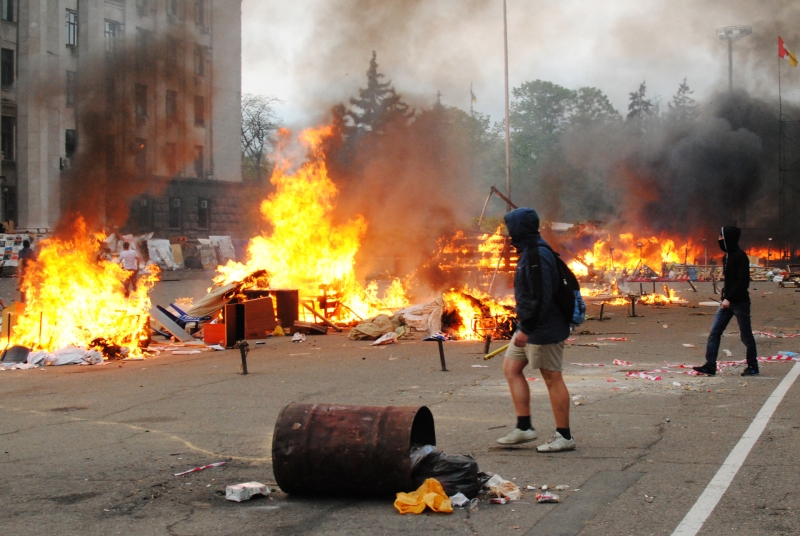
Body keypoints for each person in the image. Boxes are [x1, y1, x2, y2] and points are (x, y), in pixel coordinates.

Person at [496, 207, 575, 452]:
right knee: (511, 368)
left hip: (543, 327)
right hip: (530, 324)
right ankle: (524, 427)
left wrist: (527, 328)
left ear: (520, 229)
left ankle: (565, 436)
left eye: (511, 229)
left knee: (552, 377)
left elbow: (542, 296)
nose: (508, 234)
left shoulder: (536, 255)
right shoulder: (529, 251)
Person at [693, 226, 759, 377]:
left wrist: (729, 298)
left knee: (746, 336)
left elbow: (742, 282)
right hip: (727, 303)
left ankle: (753, 366)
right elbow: (729, 282)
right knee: (714, 332)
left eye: (721, 237)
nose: (719, 240)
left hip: (740, 302)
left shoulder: (740, 256)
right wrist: (725, 297)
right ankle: (710, 365)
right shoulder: (726, 257)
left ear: (728, 238)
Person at [18, 239, 36, 303]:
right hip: (31, 271)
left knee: (23, 287)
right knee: (32, 286)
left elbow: (20, 260)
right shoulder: (32, 252)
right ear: (29, 245)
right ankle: (32, 301)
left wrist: (19, 272)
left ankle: (22, 301)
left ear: (23, 245)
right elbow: (35, 261)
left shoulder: (21, 252)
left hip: (24, 271)